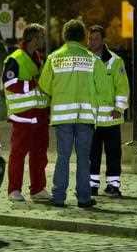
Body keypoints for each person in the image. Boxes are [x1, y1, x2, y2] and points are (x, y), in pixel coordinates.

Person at [38, 19, 108, 208]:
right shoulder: (93, 59)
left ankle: (59, 197)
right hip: (85, 117)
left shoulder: (54, 58)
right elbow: (103, 88)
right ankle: (84, 198)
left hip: (62, 118)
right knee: (84, 158)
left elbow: (44, 85)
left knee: (63, 156)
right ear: (84, 37)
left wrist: (60, 92)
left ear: (65, 36)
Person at [1, 24, 50, 202]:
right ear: (33, 38)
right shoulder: (15, 59)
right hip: (22, 115)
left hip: (39, 115)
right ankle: (14, 189)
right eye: (41, 37)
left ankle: (38, 189)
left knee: (39, 154)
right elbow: (9, 84)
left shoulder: (38, 58)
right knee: (18, 154)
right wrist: (34, 83)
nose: (43, 40)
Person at [87, 25, 129, 198]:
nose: (92, 42)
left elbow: (122, 87)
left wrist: (119, 108)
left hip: (111, 118)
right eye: (90, 38)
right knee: (92, 154)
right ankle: (92, 186)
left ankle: (113, 185)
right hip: (92, 118)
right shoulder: (85, 60)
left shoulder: (115, 61)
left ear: (103, 40)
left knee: (113, 154)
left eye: (95, 38)